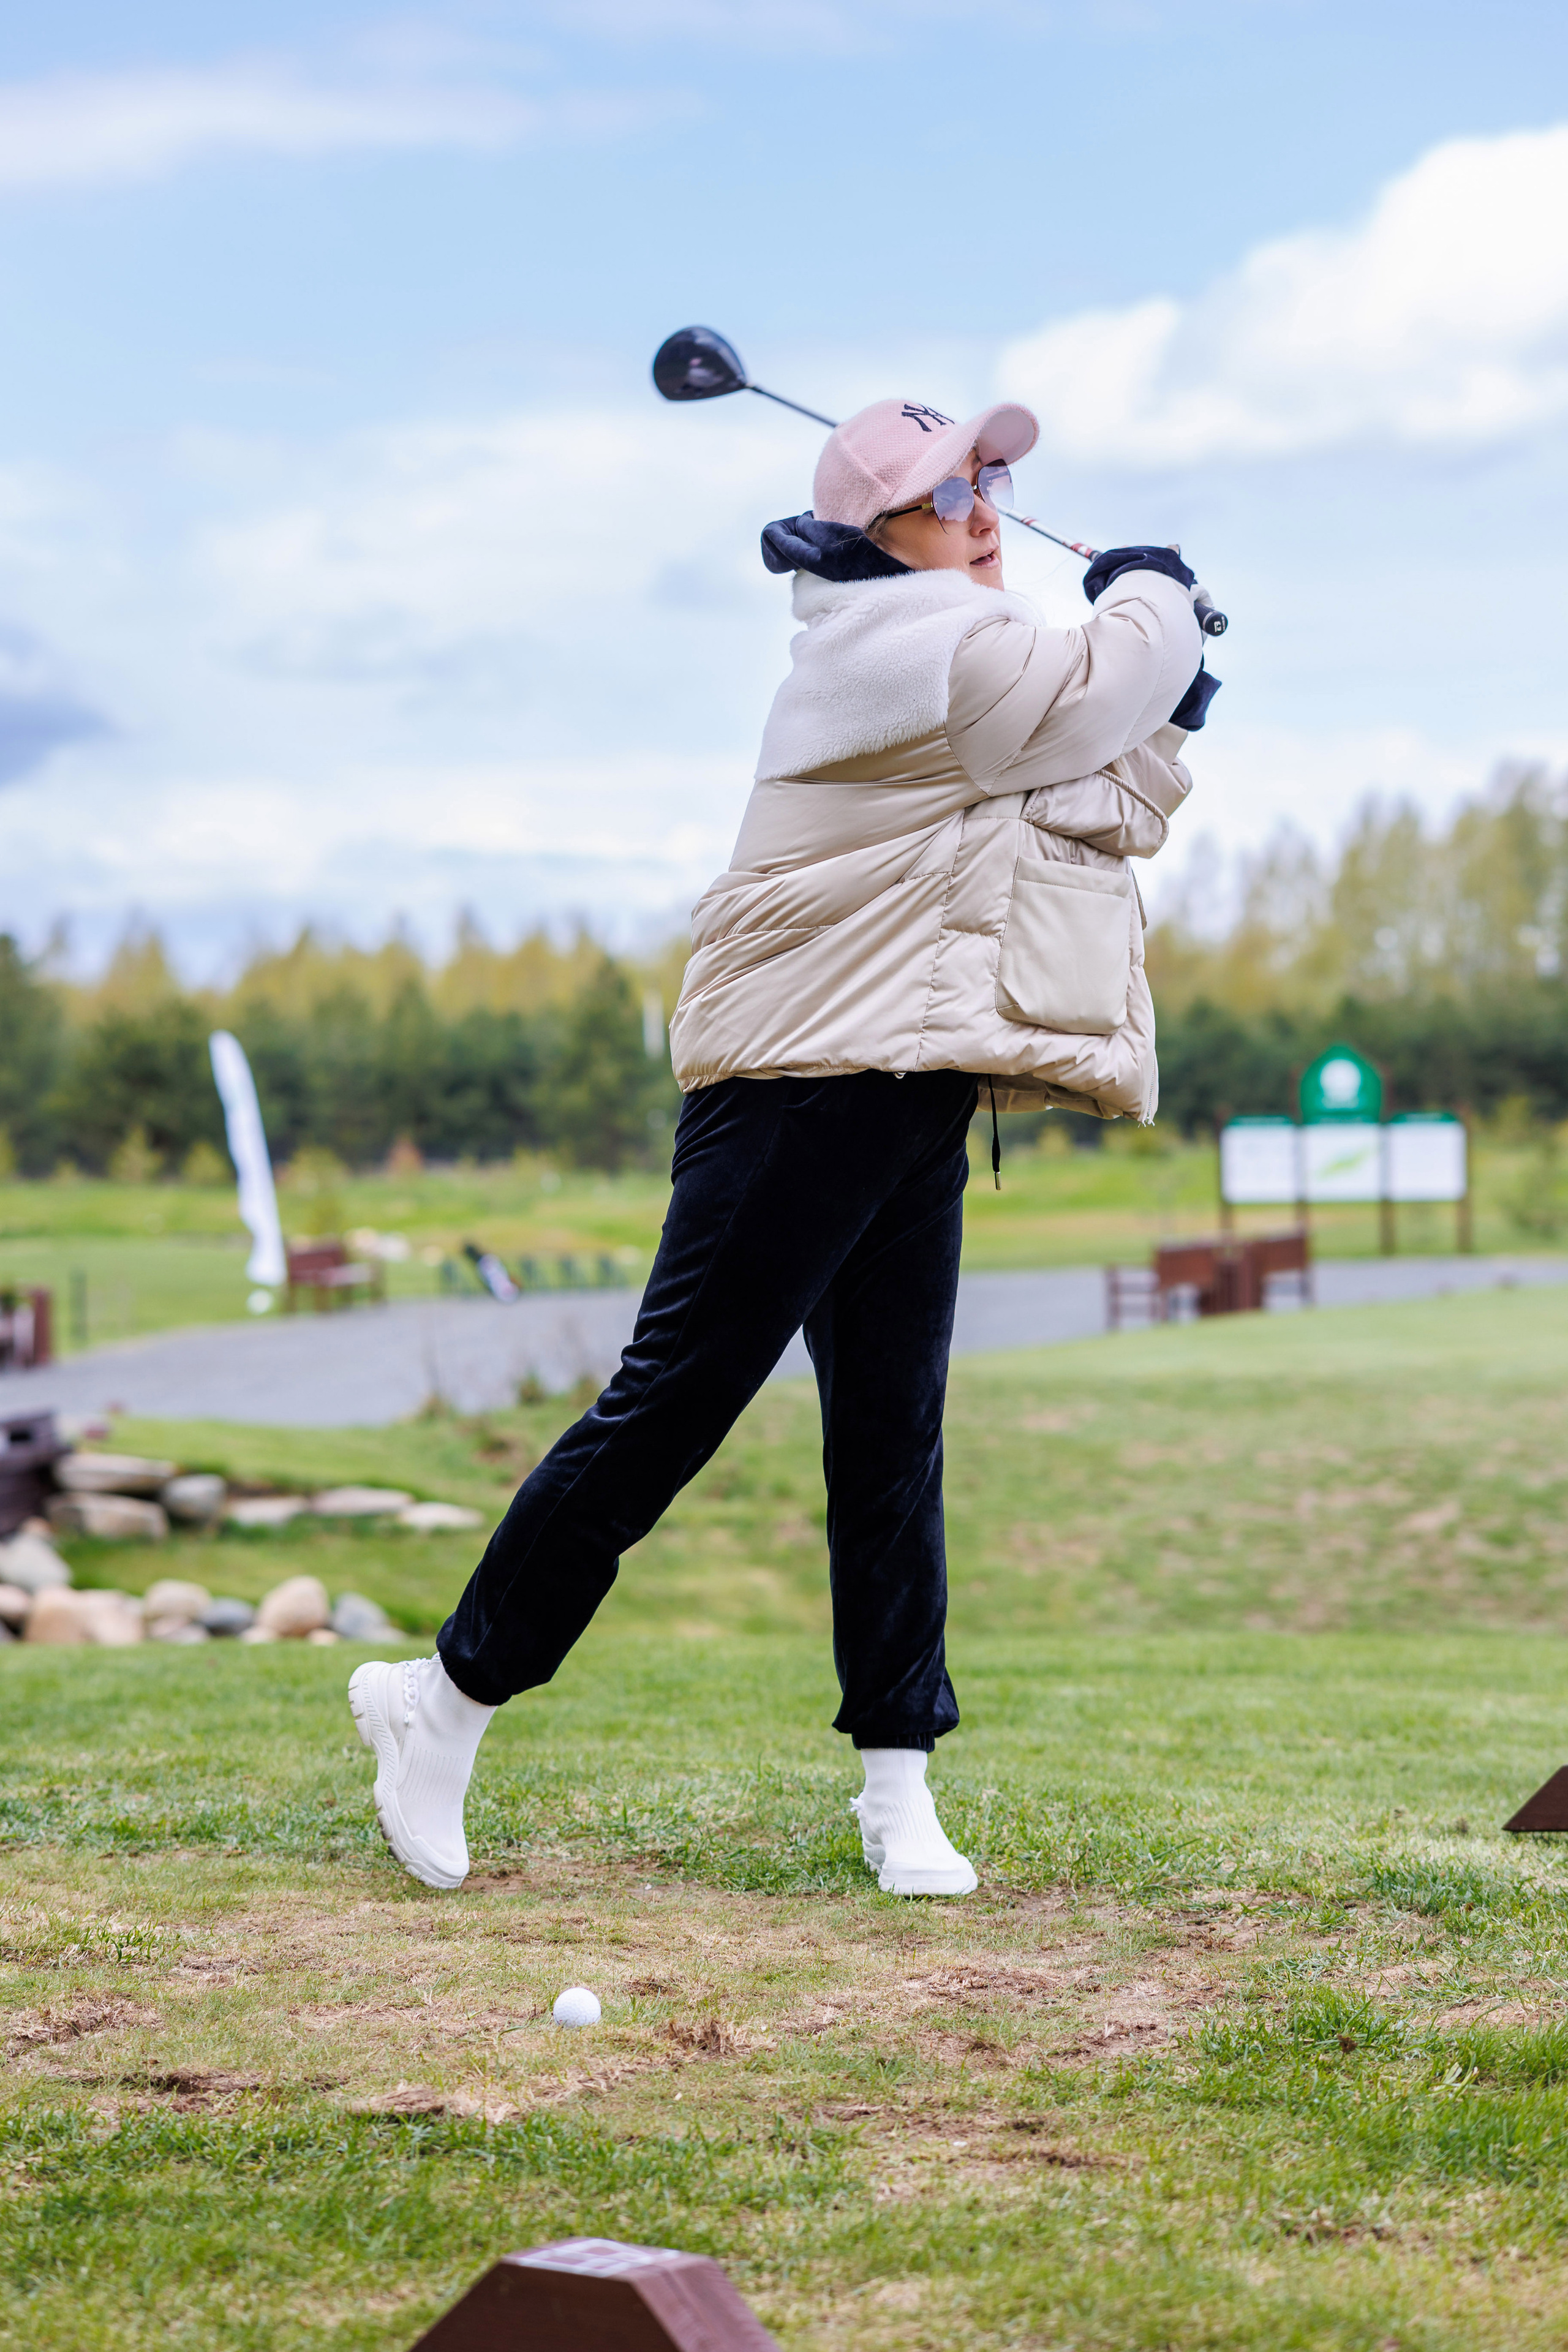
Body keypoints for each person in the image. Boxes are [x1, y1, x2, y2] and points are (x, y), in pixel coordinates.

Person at [349, 394, 1212, 1900]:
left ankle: (898, 1788)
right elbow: (1080, 698)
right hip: (794, 1087)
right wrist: (1150, 597)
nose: (989, 515)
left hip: (908, 1084)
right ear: (882, 536)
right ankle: (442, 1701)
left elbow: (1082, 791)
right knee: (671, 1406)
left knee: (890, 1439)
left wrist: (1173, 696)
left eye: (996, 484)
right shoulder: (895, 643)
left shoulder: (959, 657)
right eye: (956, 497)